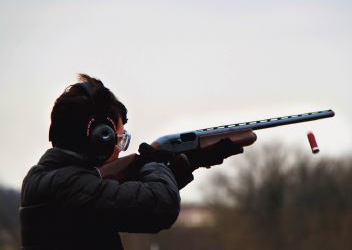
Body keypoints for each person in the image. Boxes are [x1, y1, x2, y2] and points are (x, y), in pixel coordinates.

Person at [20, 74, 256, 250]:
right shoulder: (67, 185)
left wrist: (186, 163)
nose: (121, 150)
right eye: (119, 139)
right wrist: (154, 161)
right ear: (101, 137)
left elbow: (126, 198)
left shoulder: (50, 179)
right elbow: (159, 206)